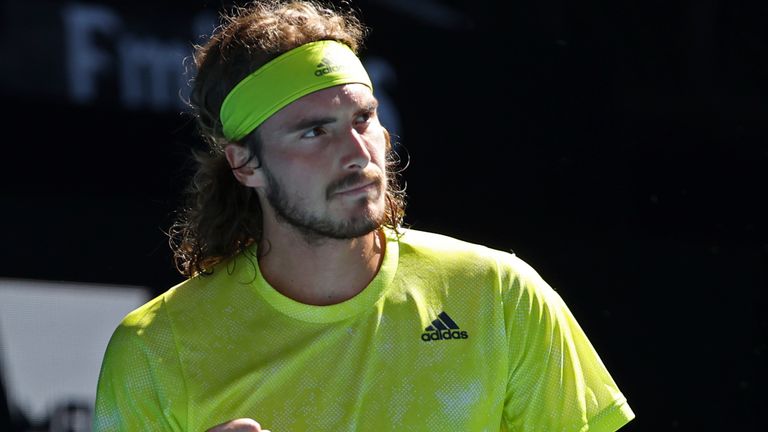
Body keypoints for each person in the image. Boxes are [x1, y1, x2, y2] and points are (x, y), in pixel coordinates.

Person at [93, 1, 636, 431]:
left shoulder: (501, 296)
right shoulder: (154, 350)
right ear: (245, 163)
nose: (357, 152)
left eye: (364, 118)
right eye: (314, 131)